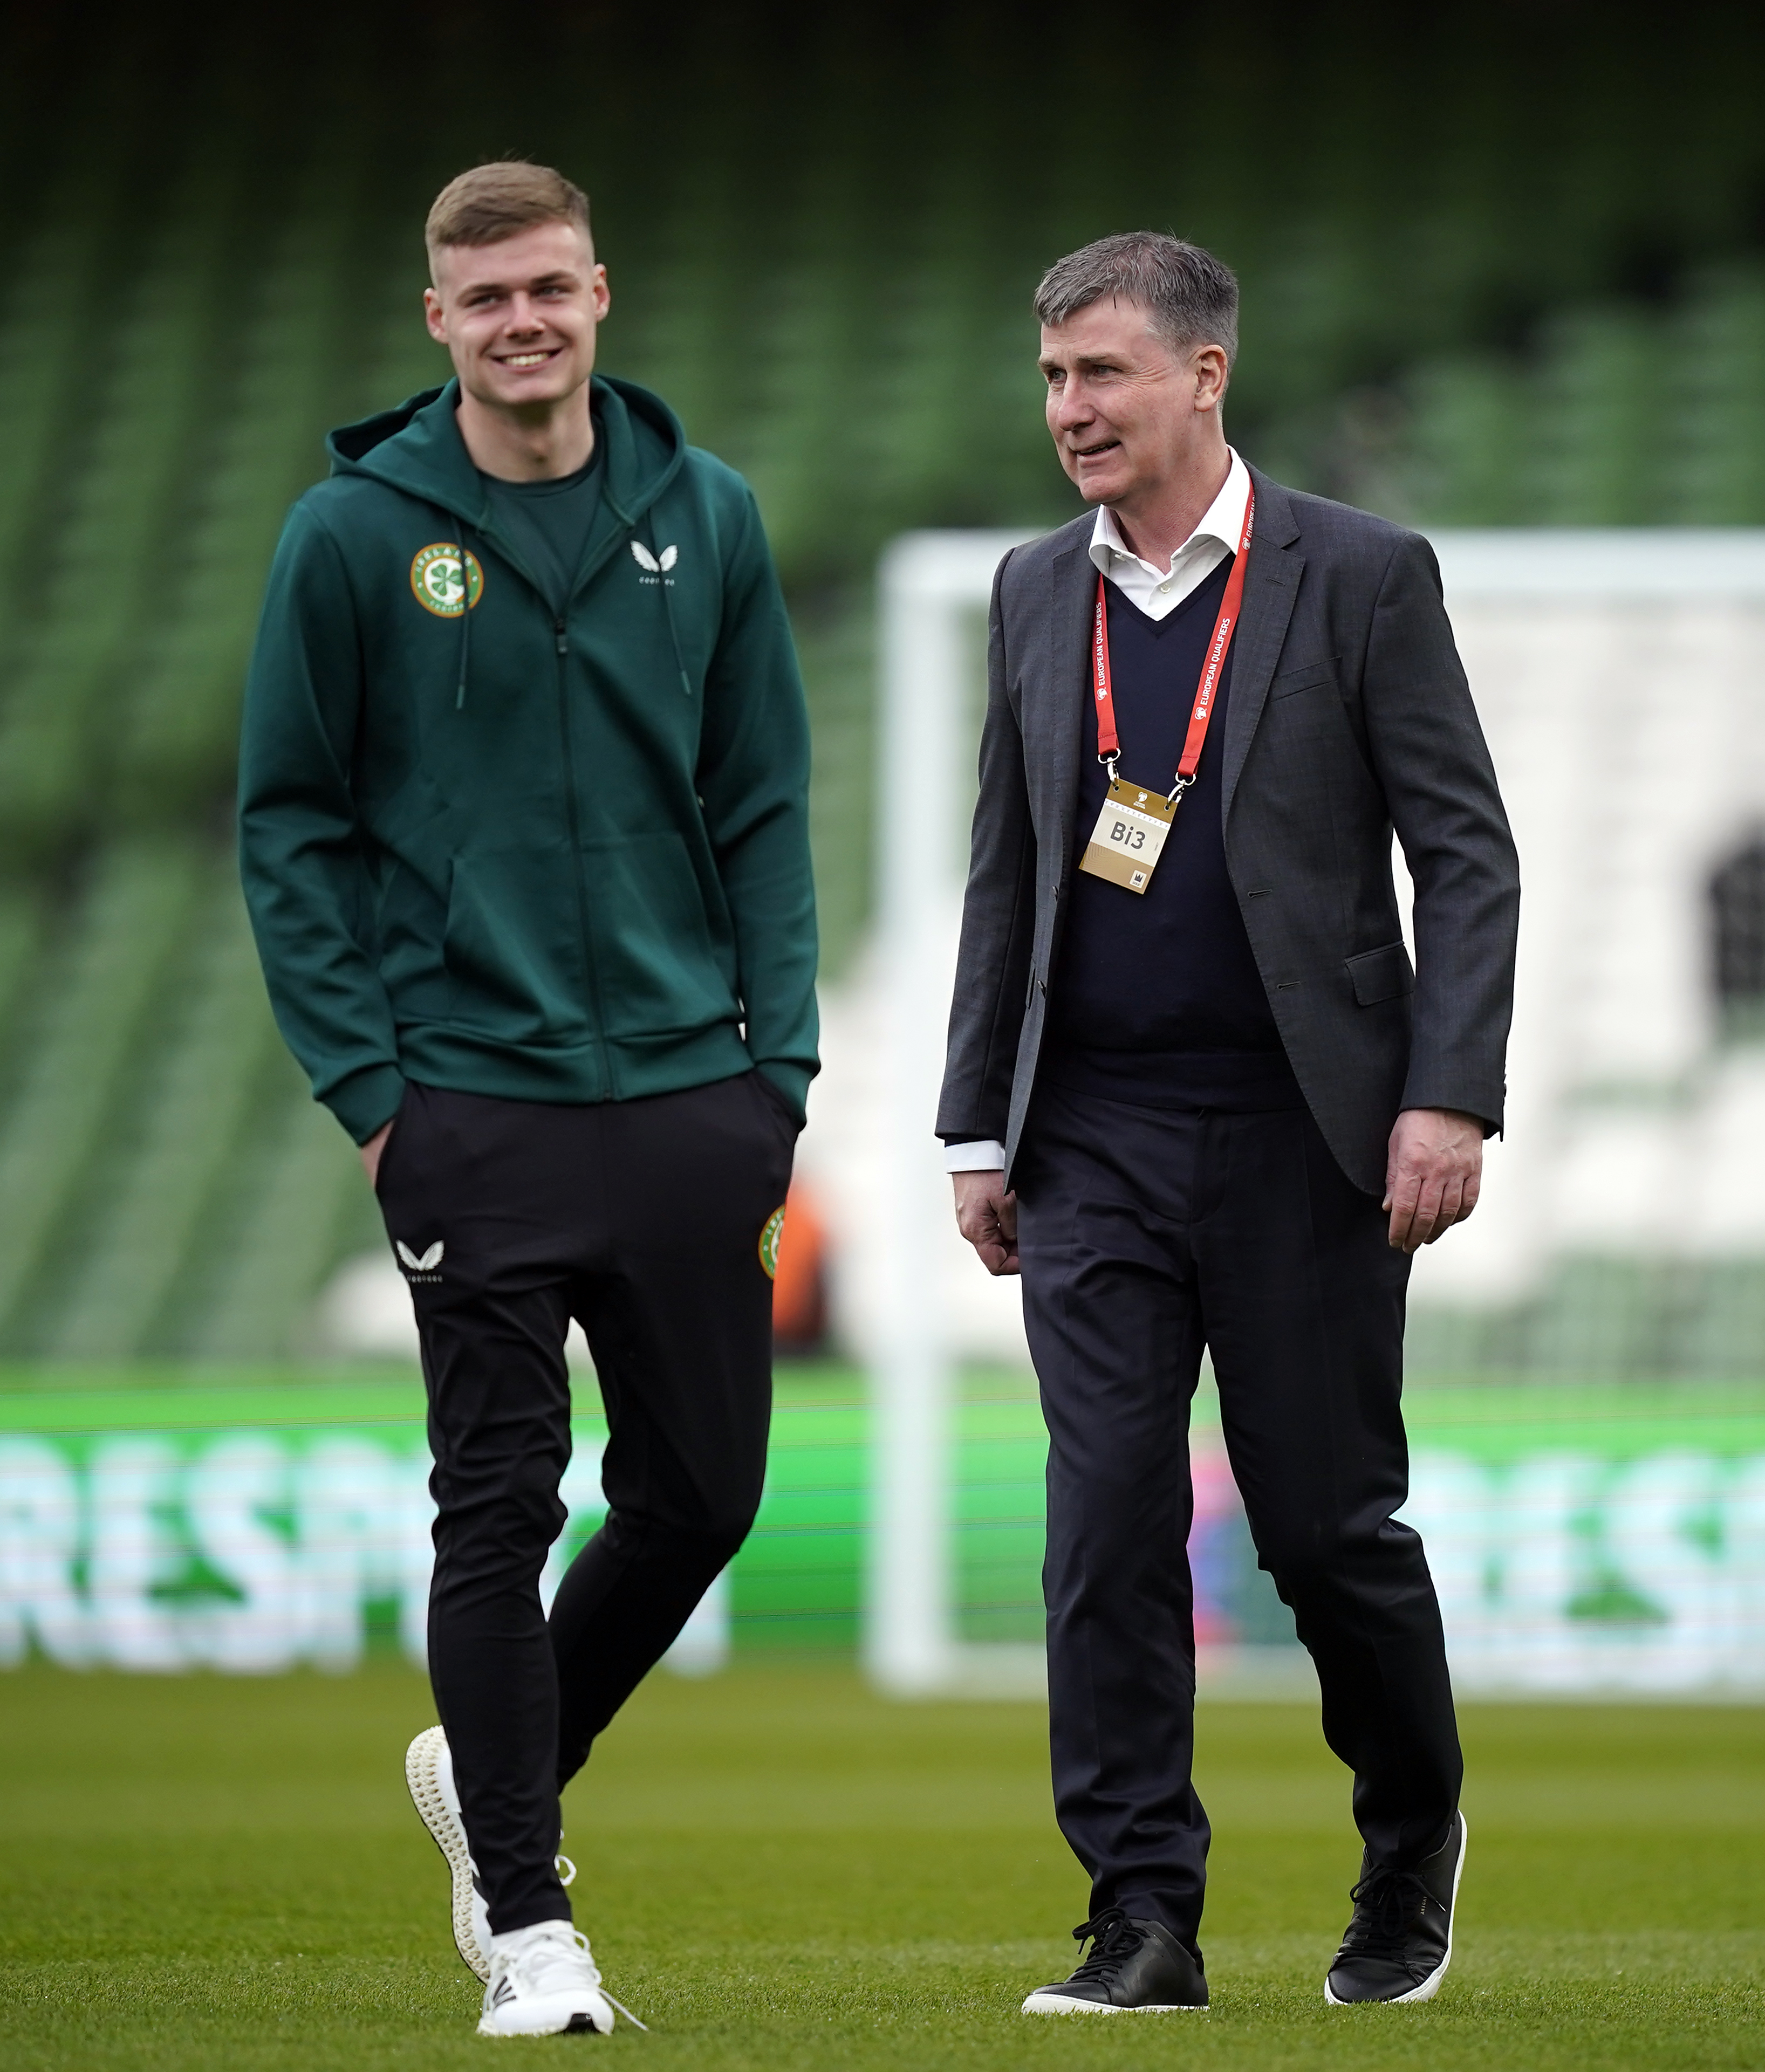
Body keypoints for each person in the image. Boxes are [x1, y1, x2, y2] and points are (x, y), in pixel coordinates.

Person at [239, 160, 817, 2039]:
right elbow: (291, 829)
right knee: (494, 1500)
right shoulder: (350, 537)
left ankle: (487, 1770)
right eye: (484, 299)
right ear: (438, 320)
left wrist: (777, 1070)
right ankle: (534, 1918)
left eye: (549, 288)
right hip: (466, 1106)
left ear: (599, 293)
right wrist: (374, 1091)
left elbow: (766, 810)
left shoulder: (706, 515)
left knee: (703, 1494)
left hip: (688, 1099)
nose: (522, 323)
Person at [938, 232, 1517, 2014]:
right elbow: (1011, 865)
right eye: (1052, 379)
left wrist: (1448, 1092)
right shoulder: (1038, 590)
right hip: (1093, 1132)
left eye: (1101, 373)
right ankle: (1141, 1917)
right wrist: (978, 1125)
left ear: (1204, 375)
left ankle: (1411, 1831)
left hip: (1305, 1135)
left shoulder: (1359, 573)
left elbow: (1467, 852)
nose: (1070, 410)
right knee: (1102, 1516)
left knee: (1326, 1526)